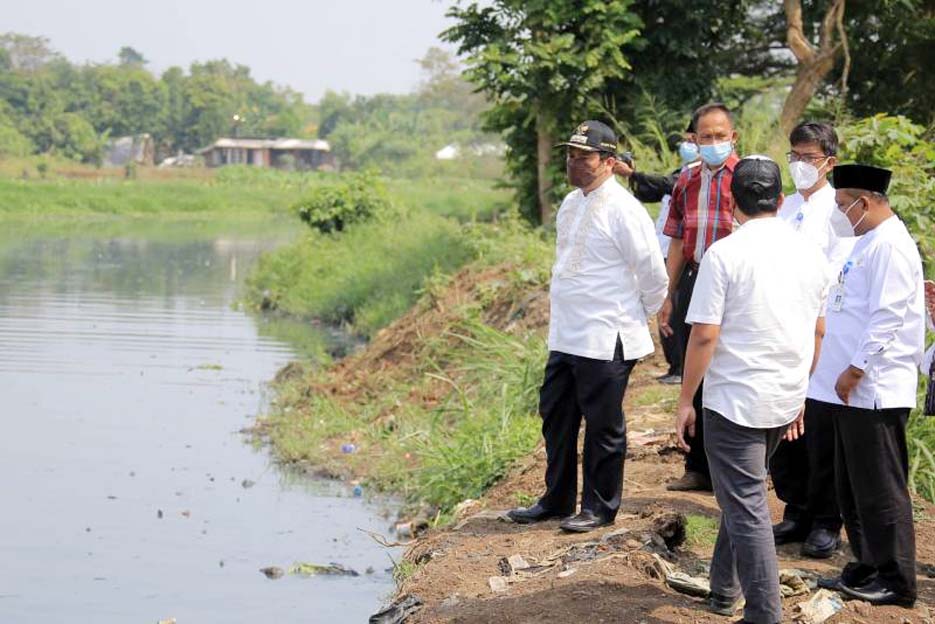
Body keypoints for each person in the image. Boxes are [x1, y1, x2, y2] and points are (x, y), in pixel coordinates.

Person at [675, 155, 830, 624]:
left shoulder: (725, 254)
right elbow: (818, 332)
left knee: (747, 509)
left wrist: (685, 399)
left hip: (736, 403)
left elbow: (704, 335)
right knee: (741, 496)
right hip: (783, 397)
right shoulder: (811, 254)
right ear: (780, 200)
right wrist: (801, 391)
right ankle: (724, 589)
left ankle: (764, 614)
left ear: (730, 201)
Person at [507, 120, 668, 532]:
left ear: (610, 162)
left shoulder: (624, 209)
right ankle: (557, 499)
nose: (574, 163)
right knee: (556, 416)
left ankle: (599, 507)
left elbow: (652, 273)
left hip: (605, 334)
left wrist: (638, 314)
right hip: (566, 333)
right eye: (570, 155)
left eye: (584, 157)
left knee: (602, 425)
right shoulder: (570, 203)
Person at [809, 164, 924, 607]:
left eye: (843, 205)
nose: (840, 213)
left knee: (879, 488)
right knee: (852, 486)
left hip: (873, 388)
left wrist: (856, 369)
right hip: (848, 391)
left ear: (867, 201)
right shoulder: (866, 241)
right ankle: (867, 563)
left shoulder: (891, 245)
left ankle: (896, 579)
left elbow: (888, 315)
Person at [769, 121, 857, 558]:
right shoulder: (783, 208)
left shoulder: (838, 212)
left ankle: (826, 519)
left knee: (819, 428)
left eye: (809, 157)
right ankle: (796, 508)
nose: (801, 165)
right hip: (782, 327)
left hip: (821, 328)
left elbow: (836, 273)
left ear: (829, 162)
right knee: (786, 425)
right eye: (795, 157)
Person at [660, 102, 741, 492]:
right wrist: (669, 293)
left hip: (736, 283)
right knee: (696, 367)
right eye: (705, 137)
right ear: (694, 139)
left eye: (719, 136)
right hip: (695, 277)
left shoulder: (745, 178)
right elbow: (676, 239)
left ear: (733, 137)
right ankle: (697, 466)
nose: (713, 143)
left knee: (730, 366)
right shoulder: (687, 180)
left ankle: (736, 465)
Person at [614, 121, 701, 385]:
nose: (687, 145)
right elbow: (651, 191)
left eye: (692, 140)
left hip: (681, 254)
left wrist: (631, 175)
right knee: (666, 311)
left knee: (676, 313)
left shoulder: (694, 177)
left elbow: (666, 184)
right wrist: (634, 176)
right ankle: (674, 365)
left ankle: (681, 368)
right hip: (664, 250)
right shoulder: (682, 171)